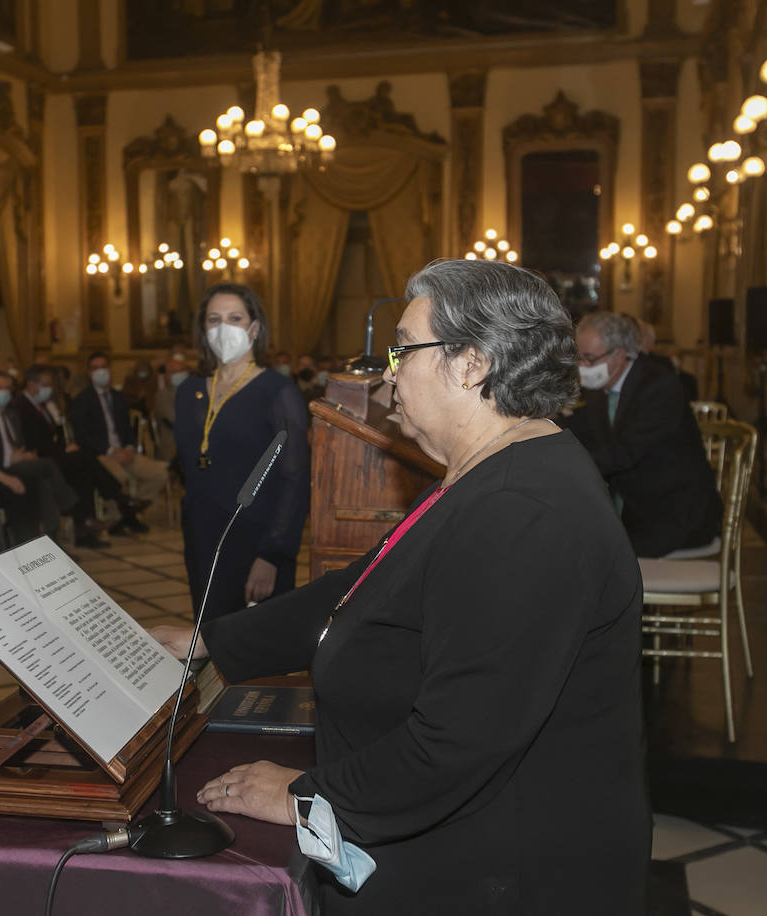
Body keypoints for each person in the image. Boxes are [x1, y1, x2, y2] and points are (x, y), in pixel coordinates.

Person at [153, 259, 649, 915]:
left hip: (500, 875)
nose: (389, 372)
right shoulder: (493, 471)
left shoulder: (526, 512)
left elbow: (458, 744)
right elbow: (359, 590)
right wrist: (210, 640)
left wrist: (307, 795)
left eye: (404, 349)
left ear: (472, 363)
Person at [173, 284, 310, 621]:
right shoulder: (189, 390)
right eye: (214, 319)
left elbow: (295, 479)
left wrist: (272, 555)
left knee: (255, 650)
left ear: (254, 328)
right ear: (203, 329)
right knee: (209, 639)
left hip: (256, 540)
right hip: (202, 538)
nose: (223, 328)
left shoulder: (278, 392)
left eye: (235, 318)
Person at [563, 311, 721, 558]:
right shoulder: (600, 390)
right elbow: (583, 431)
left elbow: (625, 454)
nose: (581, 367)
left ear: (619, 355)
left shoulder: (659, 386)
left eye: (589, 358)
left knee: (586, 551)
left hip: (674, 515)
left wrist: (566, 466)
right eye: (578, 358)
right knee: (572, 538)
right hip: (636, 509)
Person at [15, 366, 142, 548]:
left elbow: (53, 437)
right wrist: (64, 451)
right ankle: (118, 497)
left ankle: (85, 531)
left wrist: (65, 448)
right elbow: (35, 443)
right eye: (45, 384)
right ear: (31, 384)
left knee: (84, 474)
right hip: (40, 460)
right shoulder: (23, 408)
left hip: (54, 457)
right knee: (83, 457)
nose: (48, 389)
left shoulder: (40, 406)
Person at [0, 370, 77, 545]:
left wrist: (23, 455)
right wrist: (9, 461)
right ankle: (67, 504)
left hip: (17, 465)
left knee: (43, 482)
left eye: (7, 388)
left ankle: (48, 543)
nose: (3, 392)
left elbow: (19, 443)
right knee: (47, 467)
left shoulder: (12, 414)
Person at [68, 353, 167, 534]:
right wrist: (112, 450)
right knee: (118, 477)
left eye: (104, 366)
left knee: (160, 473)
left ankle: (129, 512)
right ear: (89, 373)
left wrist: (129, 448)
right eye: (96, 368)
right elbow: (82, 436)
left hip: (126, 452)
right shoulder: (82, 400)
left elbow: (127, 428)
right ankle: (117, 520)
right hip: (101, 454)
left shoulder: (119, 396)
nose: (101, 371)